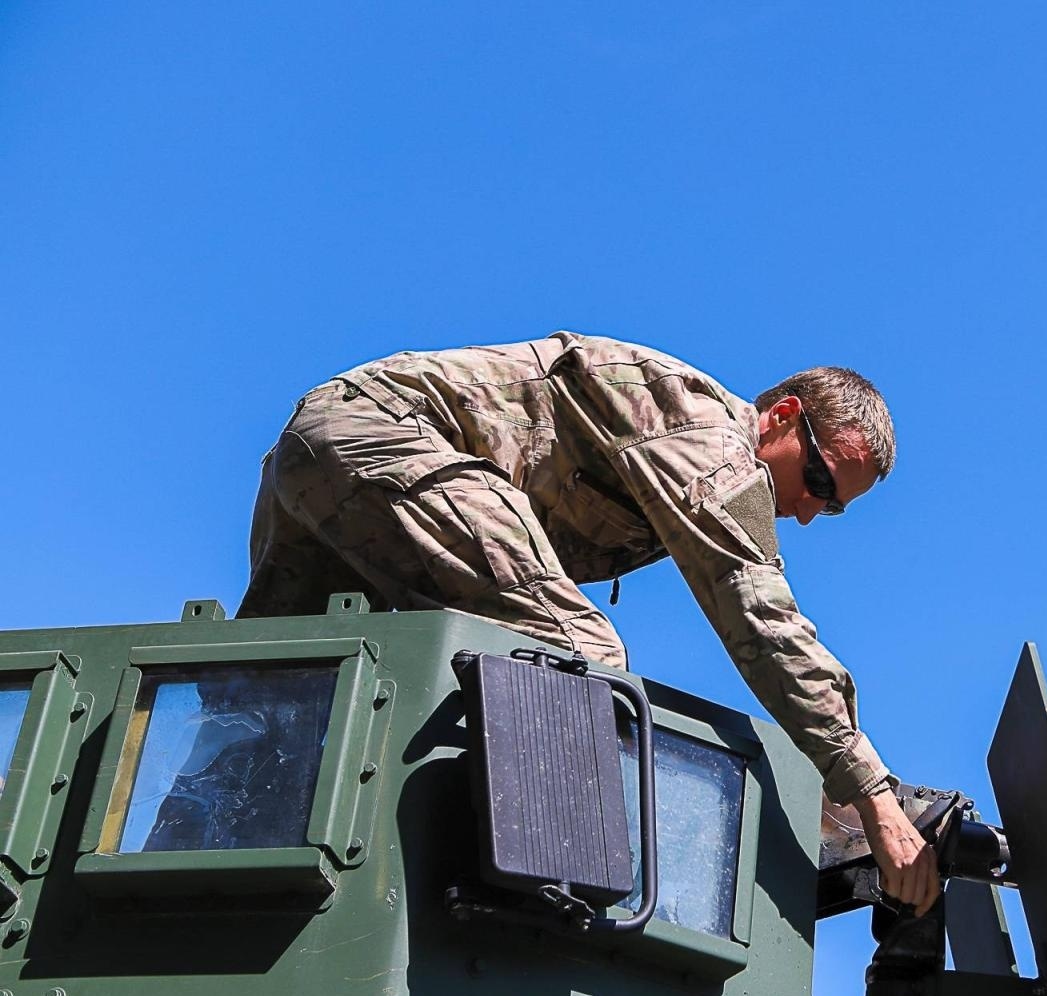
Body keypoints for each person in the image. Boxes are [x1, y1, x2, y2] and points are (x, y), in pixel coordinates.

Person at [238, 331, 940, 914]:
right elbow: (761, 620)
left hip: (322, 446)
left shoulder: (691, 445)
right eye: (818, 481)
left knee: (272, 693)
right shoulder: (713, 441)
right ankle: (515, 889)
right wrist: (870, 794)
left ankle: (204, 844)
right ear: (783, 416)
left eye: (835, 506)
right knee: (575, 648)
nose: (812, 510)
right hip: (381, 436)